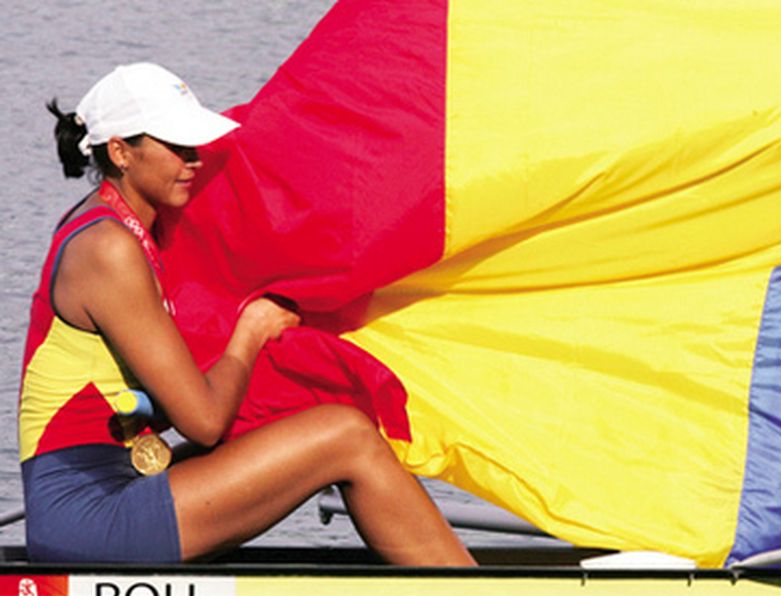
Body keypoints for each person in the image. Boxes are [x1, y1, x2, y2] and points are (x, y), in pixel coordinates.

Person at [22, 62, 476, 566]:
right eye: (176, 145)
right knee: (344, 436)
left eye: (193, 144)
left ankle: (454, 593)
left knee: (307, 420)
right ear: (120, 152)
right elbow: (205, 422)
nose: (193, 160)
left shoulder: (116, 227)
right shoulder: (107, 249)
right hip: (89, 516)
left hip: (125, 480)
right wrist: (250, 332)